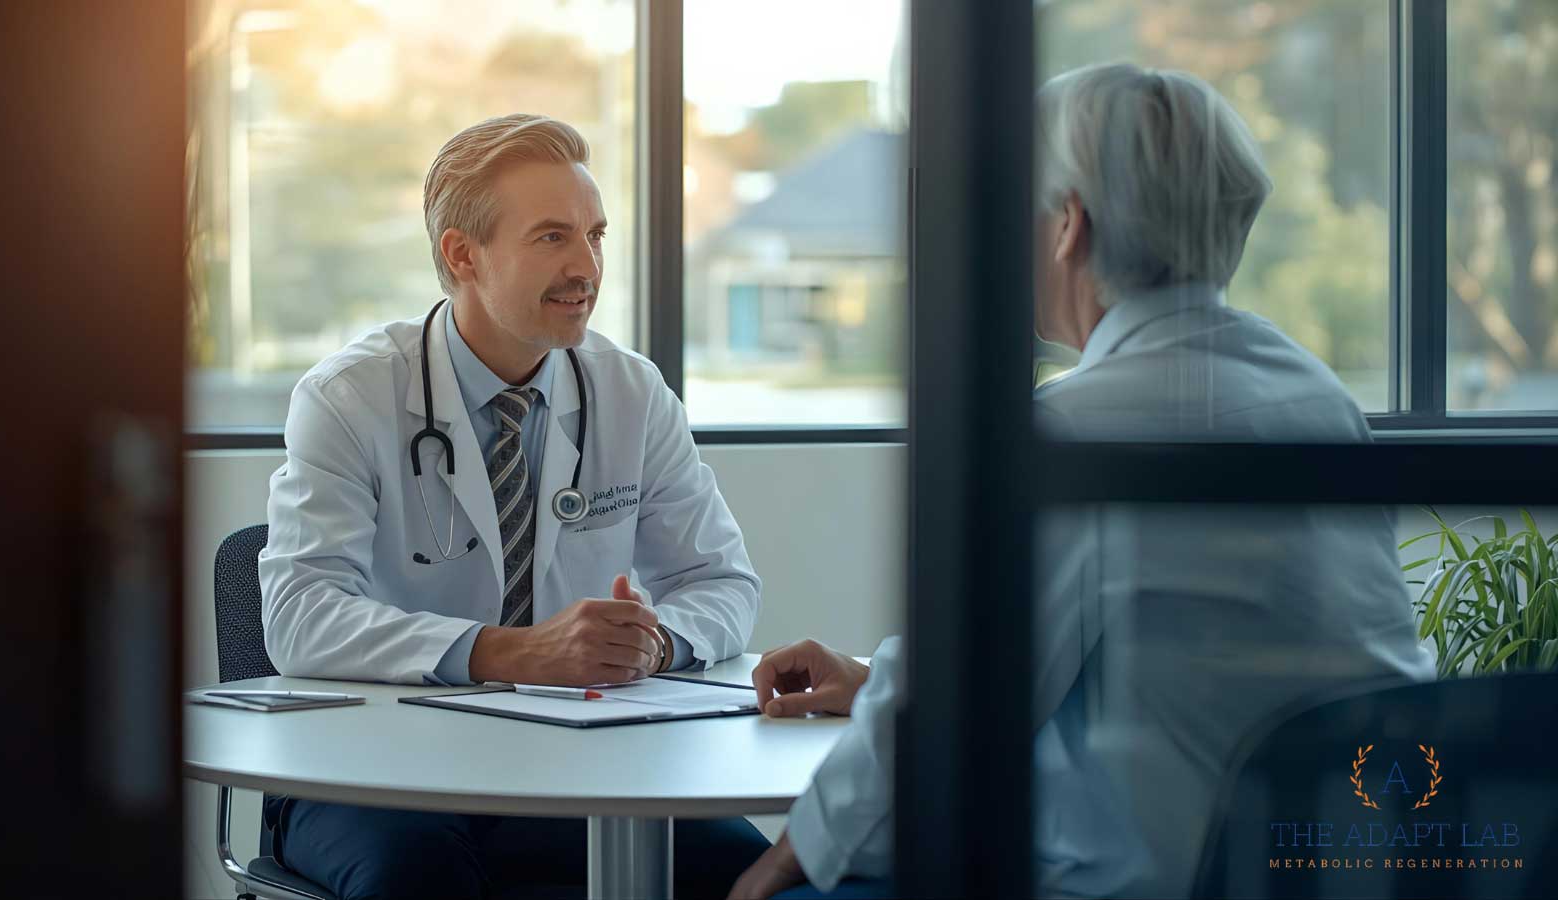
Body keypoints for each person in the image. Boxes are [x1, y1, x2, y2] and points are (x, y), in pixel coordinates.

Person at [729, 63, 1434, 900]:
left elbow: (956, 718)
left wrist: (781, 864)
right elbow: (1167, 656)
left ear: (1067, 225)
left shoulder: (1070, 431)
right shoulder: (1316, 395)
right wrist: (877, 676)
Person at [258, 113, 768, 899]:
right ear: (463, 254)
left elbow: (723, 584)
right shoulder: (350, 396)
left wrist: (654, 646)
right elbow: (299, 616)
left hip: (578, 764)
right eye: (552, 238)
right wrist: (507, 653)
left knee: (745, 870)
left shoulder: (629, 391)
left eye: (596, 236)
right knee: (419, 879)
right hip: (373, 771)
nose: (587, 267)